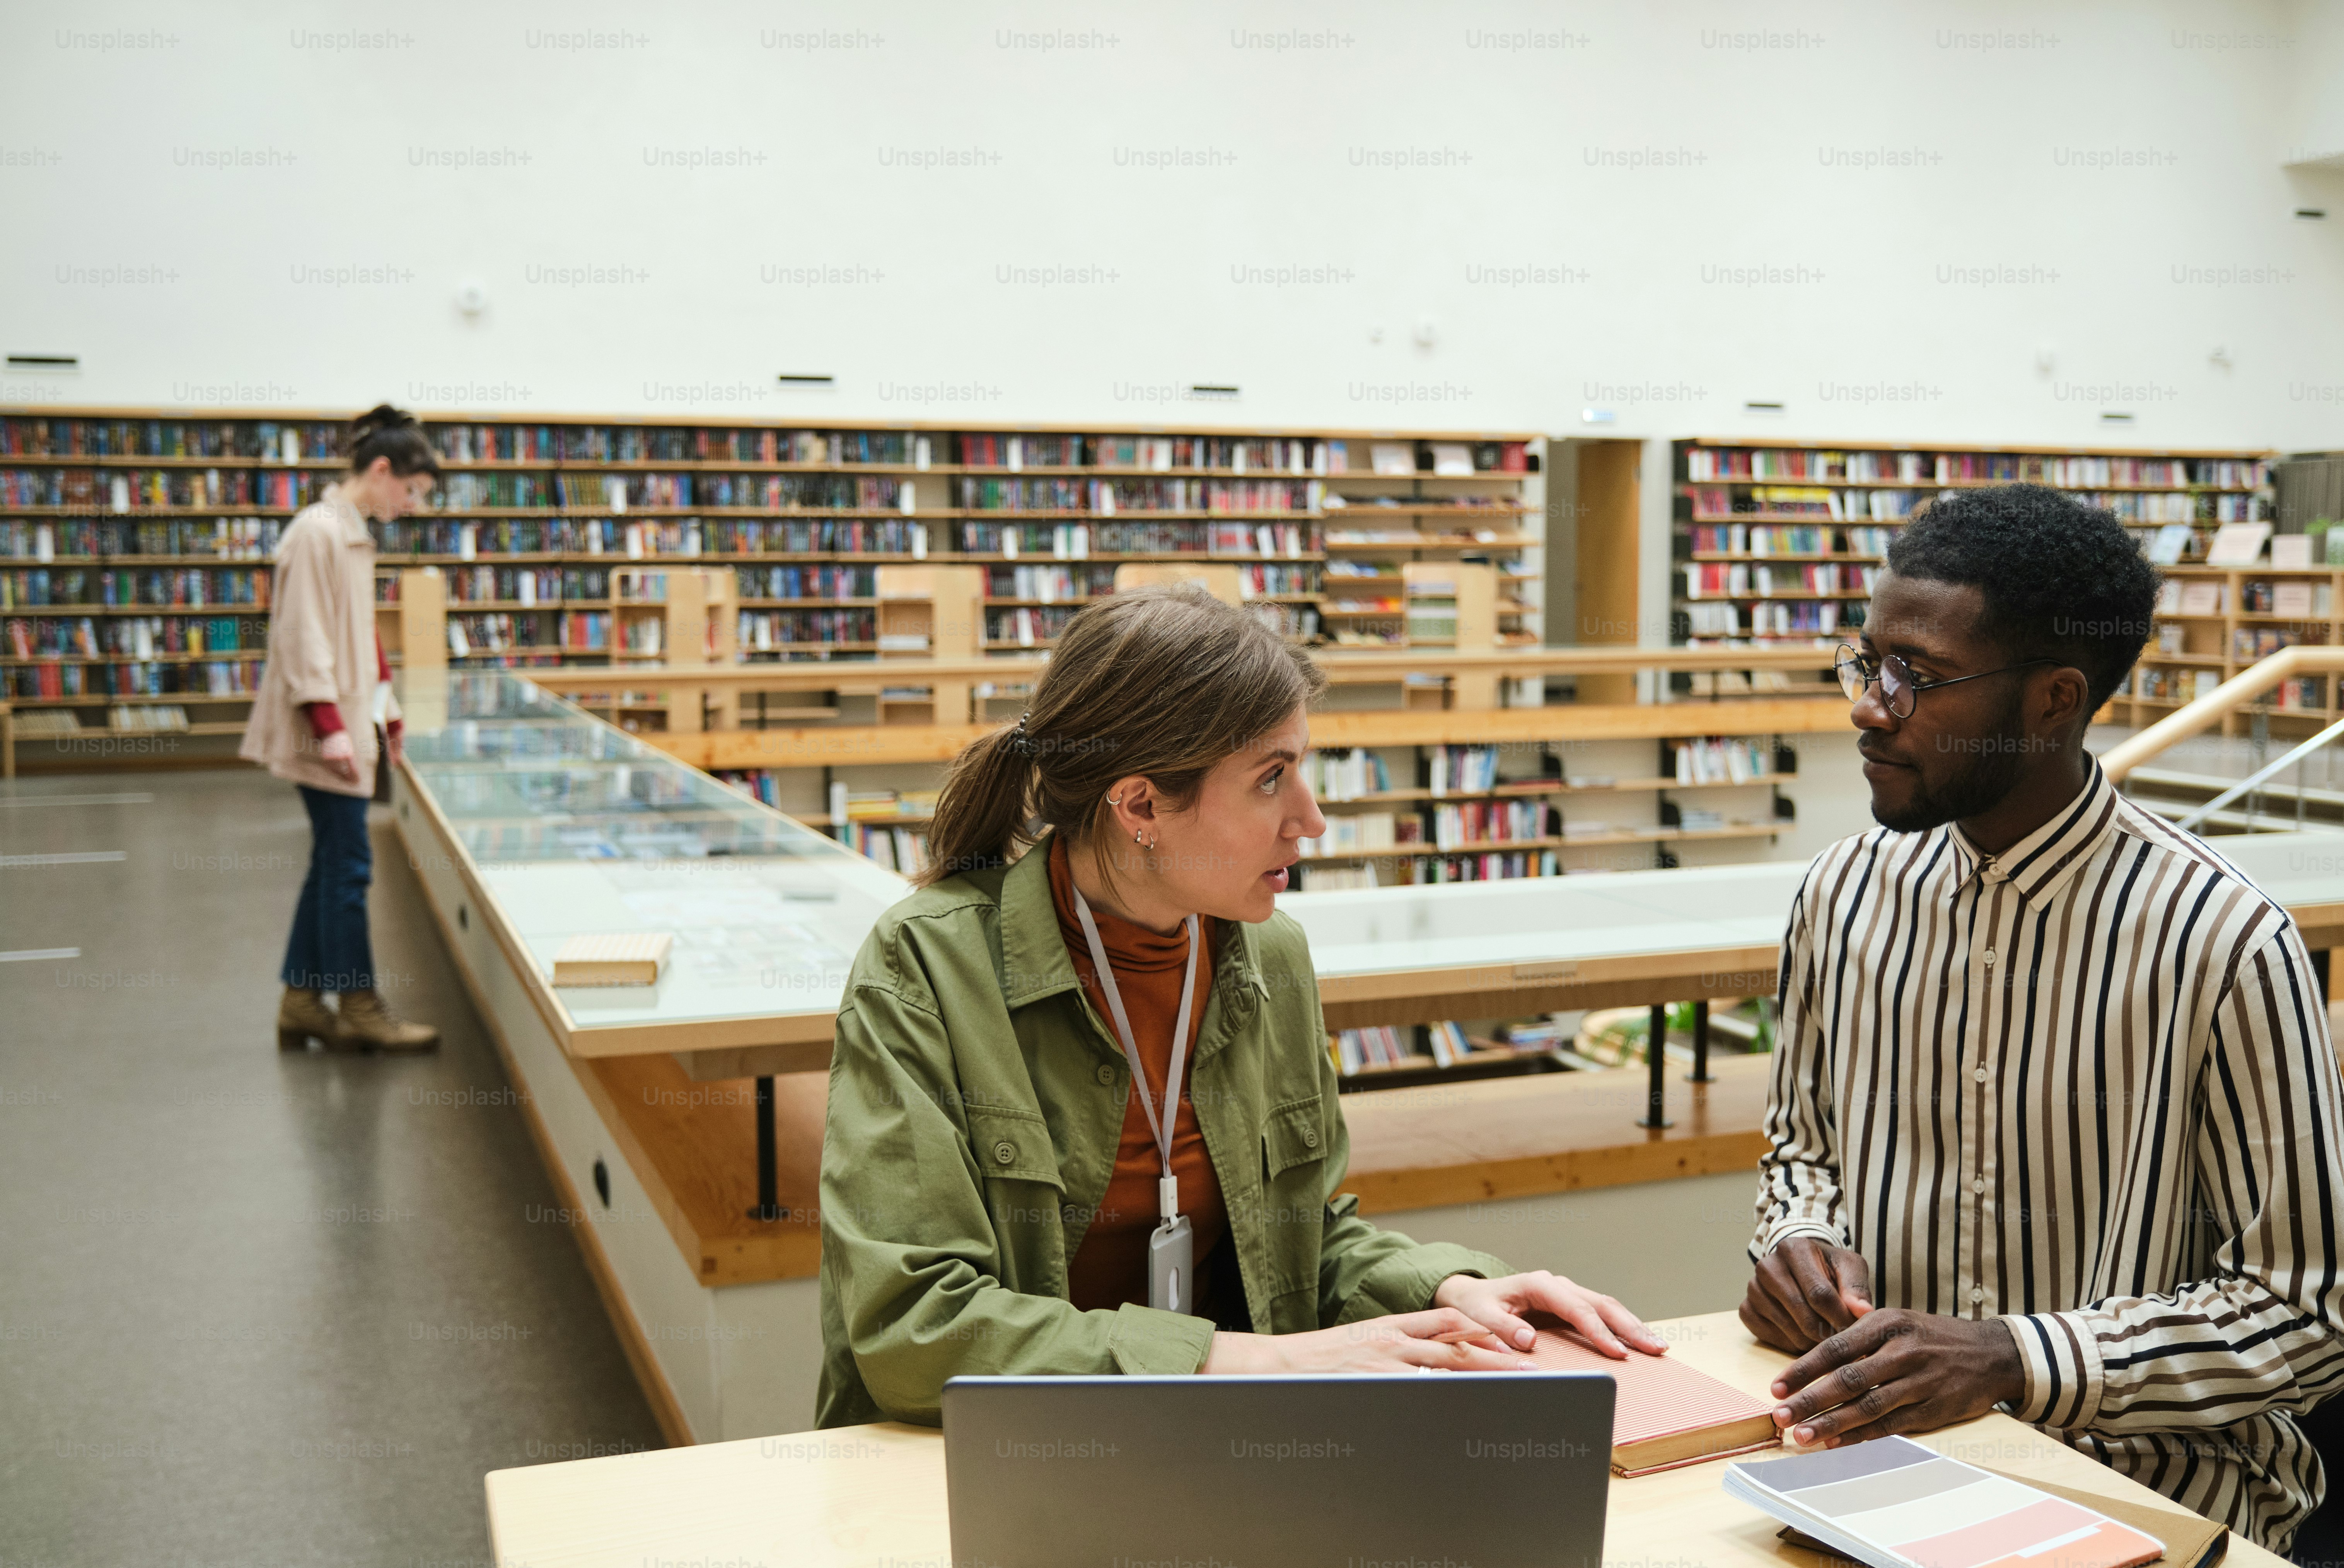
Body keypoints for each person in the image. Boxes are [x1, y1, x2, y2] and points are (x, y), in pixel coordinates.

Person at [816, 585, 1663, 1425]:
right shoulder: (922, 966)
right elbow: (915, 1328)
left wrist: (1450, 1289)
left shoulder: (1270, 954)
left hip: (1222, 1446)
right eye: (1271, 779)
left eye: (1304, 770)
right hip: (992, 1462)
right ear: (1142, 806)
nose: (1313, 820)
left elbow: (1302, 1239)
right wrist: (1252, 1360)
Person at [1743, 484, 2344, 1551]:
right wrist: (1797, 1236)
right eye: (1865, 661)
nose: (1867, 706)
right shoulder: (1837, 894)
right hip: (1876, 1471)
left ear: (2052, 701)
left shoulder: (2219, 941)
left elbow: (2308, 1316)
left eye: (1916, 680)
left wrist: (2016, 1357)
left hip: (2147, 1496)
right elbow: (1800, 1152)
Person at [241, 405, 441, 1053]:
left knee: (332, 862)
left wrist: (389, 711)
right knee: (349, 866)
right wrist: (330, 729)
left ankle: (302, 1002)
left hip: (350, 720)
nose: (413, 505)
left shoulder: (351, 532)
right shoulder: (317, 533)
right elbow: (302, 640)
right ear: (382, 470)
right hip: (321, 729)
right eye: (412, 490)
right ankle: (358, 1005)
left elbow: (363, 635)